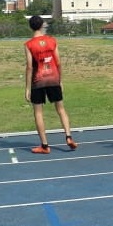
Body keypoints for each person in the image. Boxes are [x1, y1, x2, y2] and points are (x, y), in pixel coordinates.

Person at [24, 15, 77, 154]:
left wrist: (27, 88)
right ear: (42, 25)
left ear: (30, 26)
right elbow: (58, 62)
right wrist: (60, 80)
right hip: (53, 78)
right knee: (61, 109)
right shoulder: (52, 41)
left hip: (38, 81)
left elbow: (29, 67)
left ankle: (45, 145)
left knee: (38, 113)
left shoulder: (29, 44)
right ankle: (68, 136)